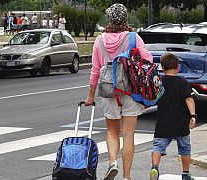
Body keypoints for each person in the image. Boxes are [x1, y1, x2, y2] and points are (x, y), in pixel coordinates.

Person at [84, 3, 153, 180]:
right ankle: (127, 176)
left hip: (108, 89)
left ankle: (112, 162)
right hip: (130, 89)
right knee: (128, 134)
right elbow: (147, 59)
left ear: (109, 19)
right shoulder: (133, 37)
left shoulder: (99, 40)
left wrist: (91, 96)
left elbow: (95, 70)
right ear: (125, 18)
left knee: (112, 131)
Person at [149, 53, 196, 180]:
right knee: (185, 148)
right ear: (178, 67)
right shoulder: (183, 82)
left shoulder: (160, 82)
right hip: (181, 123)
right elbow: (189, 99)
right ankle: (185, 174)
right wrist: (193, 115)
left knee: (157, 147)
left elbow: (153, 98)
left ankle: (154, 167)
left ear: (162, 68)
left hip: (163, 122)